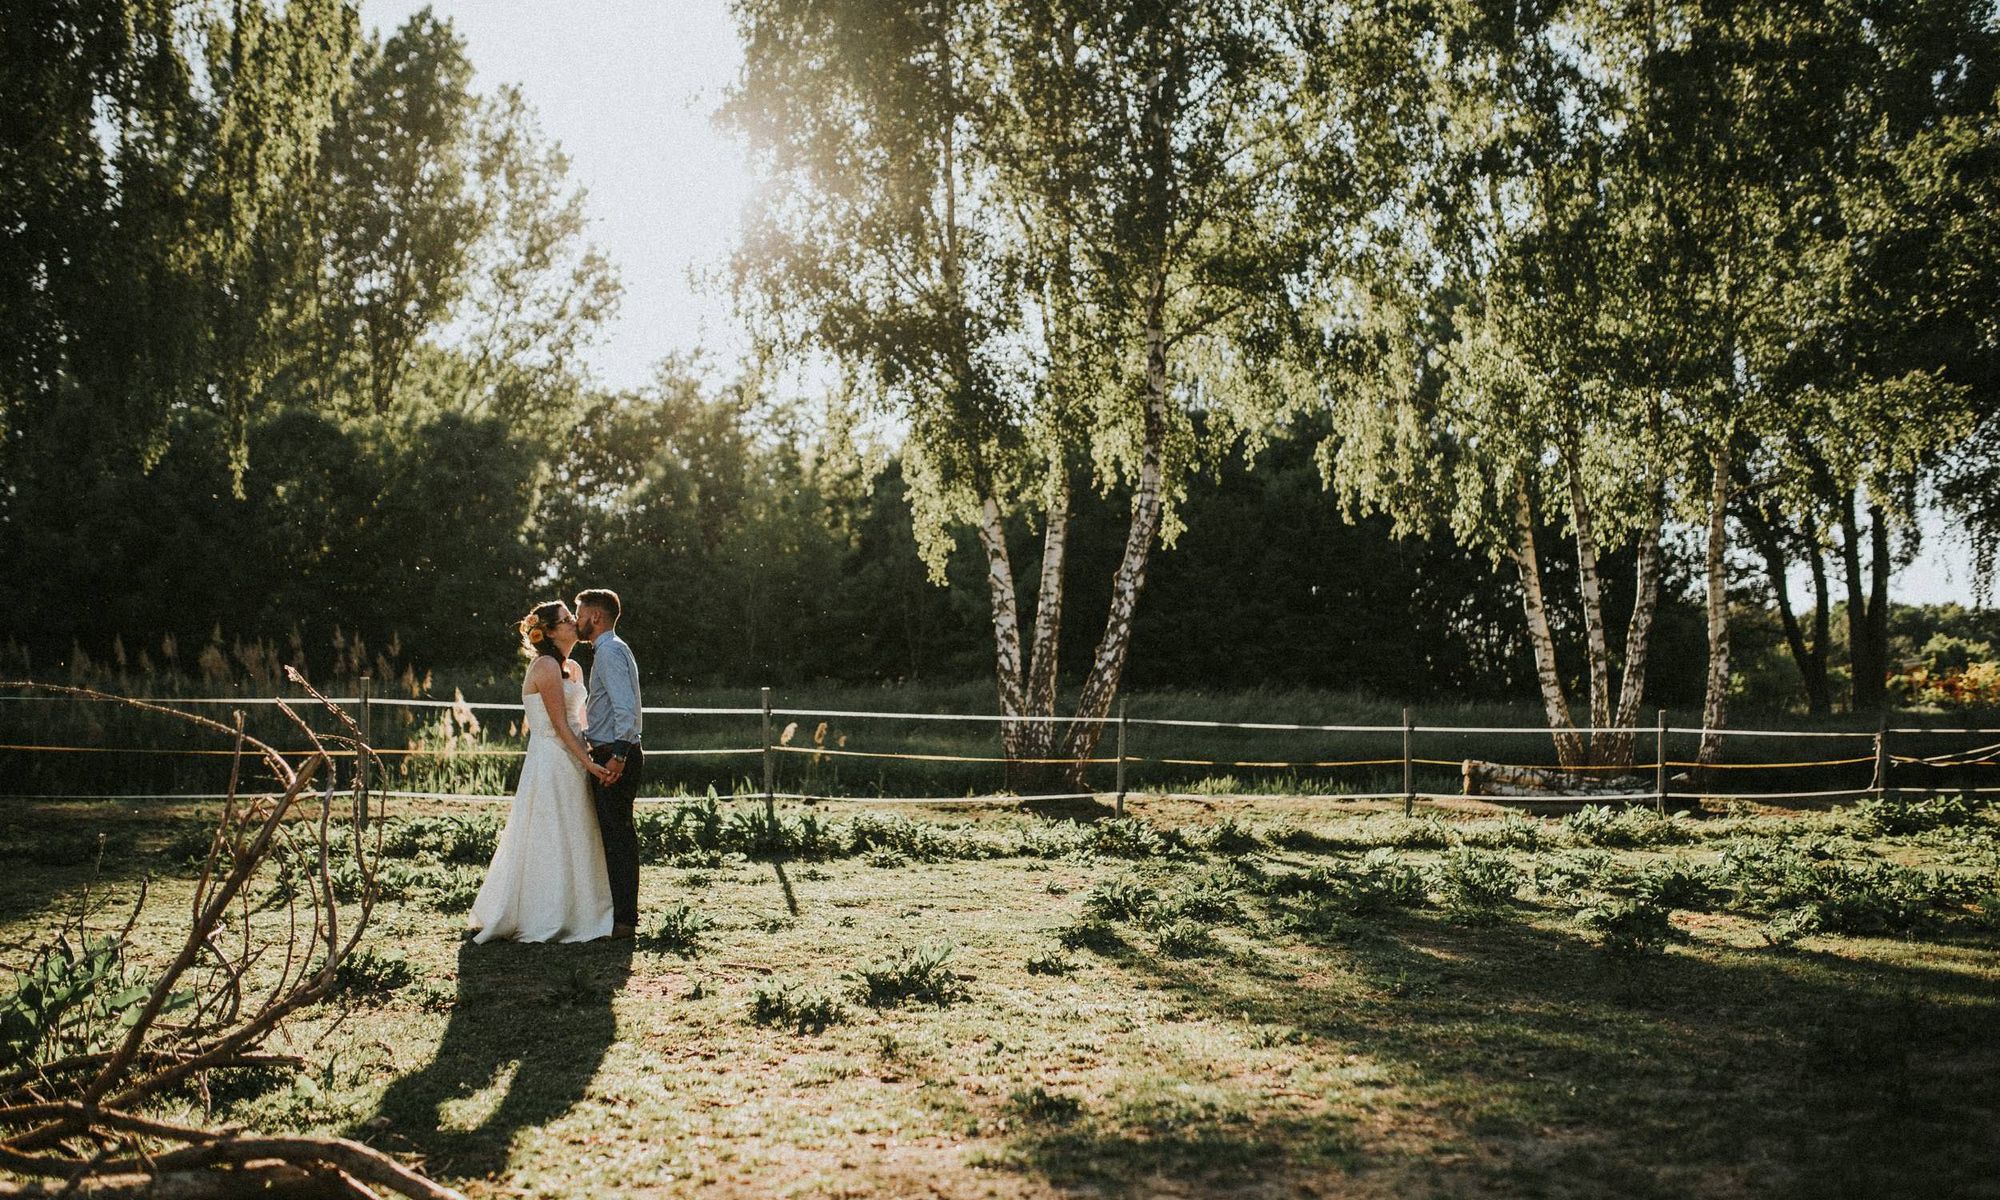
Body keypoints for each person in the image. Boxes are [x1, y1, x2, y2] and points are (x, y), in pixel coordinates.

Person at [466, 601, 615, 943]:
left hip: (574, 755)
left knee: (577, 829)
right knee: (551, 833)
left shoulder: (573, 668)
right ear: (548, 631)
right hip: (552, 758)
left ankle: (583, 909)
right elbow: (559, 725)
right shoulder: (545, 666)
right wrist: (589, 762)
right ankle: (548, 913)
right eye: (565, 620)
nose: (573, 622)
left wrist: (600, 751)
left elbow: (582, 720)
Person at [575, 587, 643, 939]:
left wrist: (618, 756)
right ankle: (616, 917)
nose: (576, 620)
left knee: (618, 838)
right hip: (609, 752)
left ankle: (625, 921)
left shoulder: (610, 652)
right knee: (613, 835)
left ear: (595, 617)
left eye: (580, 612)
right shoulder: (610, 650)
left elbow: (625, 709)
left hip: (615, 755)